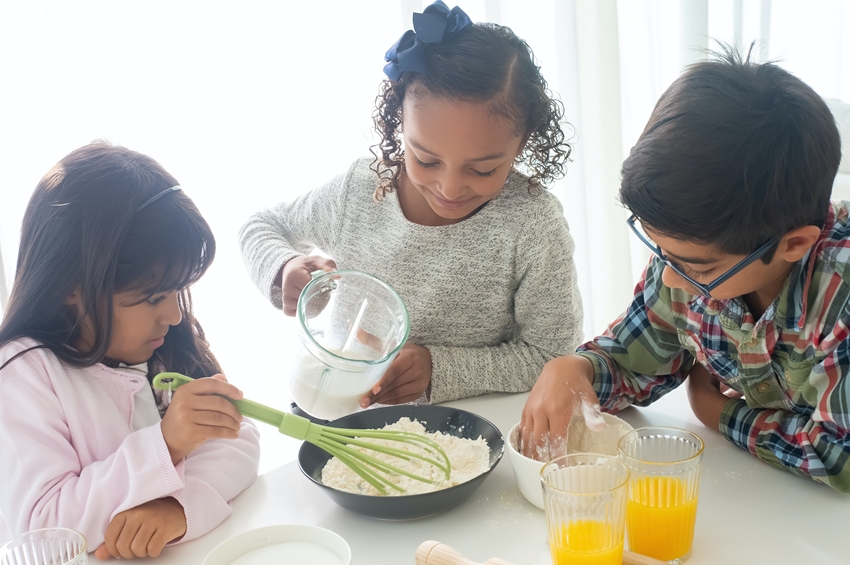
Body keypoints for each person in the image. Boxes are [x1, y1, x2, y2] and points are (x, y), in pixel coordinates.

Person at [520, 45, 850, 491]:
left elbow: (837, 456)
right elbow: (637, 361)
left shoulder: (839, 296)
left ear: (793, 245)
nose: (671, 278)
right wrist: (574, 368)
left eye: (696, 265)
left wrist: (713, 411)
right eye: (661, 251)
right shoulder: (690, 255)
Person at [239, 1, 583, 410]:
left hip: (462, 434)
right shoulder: (359, 191)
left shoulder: (532, 225)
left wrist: (439, 368)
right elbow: (261, 226)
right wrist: (283, 266)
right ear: (399, 122)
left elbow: (552, 356)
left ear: (521, 145)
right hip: (340, 413)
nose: (450, 188)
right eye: (425, 159)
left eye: (482, 169)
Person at [0, 143, 261, 558]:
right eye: (153, 297)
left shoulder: (162, 345)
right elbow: (45, 529)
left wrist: (177, 506)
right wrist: (167, 446)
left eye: (179, 291)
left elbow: (239, 438)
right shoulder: (23, 373)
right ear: (72, 286)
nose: (175, 315)